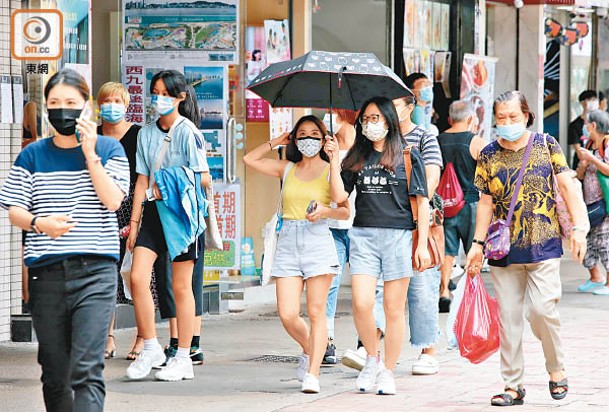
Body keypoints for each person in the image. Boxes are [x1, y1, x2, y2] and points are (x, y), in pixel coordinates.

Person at [0, 68, 129, 411]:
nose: (62, 109)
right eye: (55, 102)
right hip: (47, 275)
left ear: (86, 106)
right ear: (45, 107)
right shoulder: (33, 155)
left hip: (96, 274)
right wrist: (40, 223)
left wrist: (90, 155)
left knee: (87, 369)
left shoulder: (110, 149)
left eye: (70, 102)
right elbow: (14, 210)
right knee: (55, 373)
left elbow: (113, 201)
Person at [466, 90, 588, 406]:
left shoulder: (546, 145)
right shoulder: (489, 154)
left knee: (541, 311)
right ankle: (512, 385)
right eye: (501, 118)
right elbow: (485, 203)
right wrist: (476, 245)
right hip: (502, 249)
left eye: (513, 117)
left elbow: (567, 187)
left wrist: (577, 230)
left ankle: (556, 369)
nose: (507, 123)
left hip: (543, 244)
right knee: (509, 320)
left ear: (526, 116)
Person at [328, 96, 431, 395]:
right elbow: (338, 197)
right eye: (366, 119)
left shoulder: (408, 155)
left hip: (398, 236)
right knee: (361, 303)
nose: (370, 124)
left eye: (376, 118)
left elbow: (422, 203)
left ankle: (387, 370)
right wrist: (334, 161)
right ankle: (372, 358)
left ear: (389, 120)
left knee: (393, 309)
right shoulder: (356, 158)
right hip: (363, 236)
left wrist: (421, 244)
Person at [243, 115, 349, 394]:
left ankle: (312, 372)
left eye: (315, 134)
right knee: (288, 313)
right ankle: (310, 348)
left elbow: (344, 207)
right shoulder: (287, 168)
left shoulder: (329, 169)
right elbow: (249, 160)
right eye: (302, 134)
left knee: (316, 311)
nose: (308, 139)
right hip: (289, 240)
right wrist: (275, 141)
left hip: (318, 240)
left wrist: (335, 161)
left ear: (324, 137)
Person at [125, 70, 210, 382]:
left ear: (181, 97)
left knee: (180, 287)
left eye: (166, 93)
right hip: (151, 214)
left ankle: (184, 355)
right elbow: (142, 181)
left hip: (182, 216)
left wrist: (172, 184)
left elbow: (202, 178)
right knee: (137, 276)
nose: (158, 98)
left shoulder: (189, 133)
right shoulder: (146, 134)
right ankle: (150, 346)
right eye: (155, 92)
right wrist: (134, 223)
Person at [393, 94, 443, 375]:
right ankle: (370, 347)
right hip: (384, 223)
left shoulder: (425, 138)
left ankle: (428, 350)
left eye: (395, 105)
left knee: (421, 286)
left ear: (410, 108)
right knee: (377, 289)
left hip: (416, 221)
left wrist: (414, 201)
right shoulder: (380, 139)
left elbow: (432, 179)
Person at [97, 81, 145, 360]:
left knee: (137, 276)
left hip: (131, 210)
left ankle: (142, 337)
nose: (111, 106)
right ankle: (108, 337)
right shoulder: (91, 134)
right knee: (105, 275)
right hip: (99, 211)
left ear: (127, 106)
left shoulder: (138, 135)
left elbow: (143, 177)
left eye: (117, 101)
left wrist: (137, 221)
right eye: (106, 101)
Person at [436, 100, 486, 312]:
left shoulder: (437, 140)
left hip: (444, 205)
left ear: (449, 119)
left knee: (447, 251)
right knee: (472, 249)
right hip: (470, 204)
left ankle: (444, 290)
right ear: (469, 119)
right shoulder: (476, 142)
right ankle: (471, 294)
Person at [321, 109, 358, 365]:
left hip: (360, 226)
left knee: (363, 285)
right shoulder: (325, 149)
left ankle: (365, 342)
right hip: (331, 225)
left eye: (332, 112)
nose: (328, 116)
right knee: (329, 285)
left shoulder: (364, 148)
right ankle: (326, 340)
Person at [575, 110, 609, 295]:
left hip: (605, 203)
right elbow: (580, 175)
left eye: (587, 124)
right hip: (589, 203)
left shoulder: (607, 144)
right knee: (587, 241)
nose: (585, 127)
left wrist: (592, 158)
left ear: (594, 125)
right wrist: (584, 163)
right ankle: (595, 277)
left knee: (605, 243)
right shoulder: (590, 146)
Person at [569, 90, 598, 167]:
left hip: (599, 163)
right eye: (590, 100)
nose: (593, 102)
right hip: (581, 165)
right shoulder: (574, 125)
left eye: (594, 100)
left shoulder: (600, 122)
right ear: (582, 103)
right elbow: (579, 151)